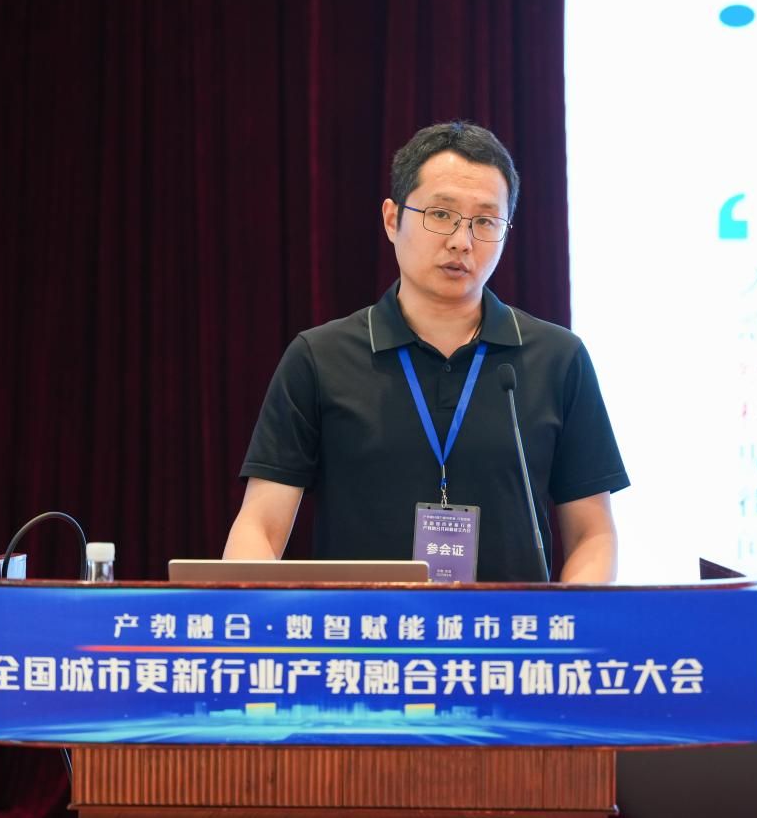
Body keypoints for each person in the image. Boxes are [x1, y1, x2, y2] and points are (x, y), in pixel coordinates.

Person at [222, 121, 628, 582]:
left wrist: (570, 621)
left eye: (485, 221)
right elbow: (260, 527)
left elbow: (593, 534)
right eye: (441, 214)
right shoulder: (319, 358)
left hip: (505, 628)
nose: (461, 241)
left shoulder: (558, 358)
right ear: (392, 219)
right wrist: (246, 606)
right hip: (368, 627)